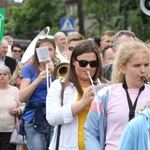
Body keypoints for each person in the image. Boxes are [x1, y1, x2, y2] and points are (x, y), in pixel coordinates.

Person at [84, 42, 150, 150]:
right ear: (123, 68)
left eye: (146, 65)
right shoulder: (104, 95)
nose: (143, 70)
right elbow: (91, 132)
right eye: (137, 65)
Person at [46, 39, 107, 150]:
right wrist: (82, 103)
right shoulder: (59, 85)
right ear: (74, 61)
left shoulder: (106, 87)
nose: (88, 68)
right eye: (83, 63)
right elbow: (52, 118)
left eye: (93, 63)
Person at [19, 37, 55, 150]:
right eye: (43, 50)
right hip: (34, 116)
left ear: (54, 51)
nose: (47, 53)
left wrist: (55, 72)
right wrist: (38, 80)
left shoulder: (61, 68)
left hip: (55, 115)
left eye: (50, 49)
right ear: (37, 52)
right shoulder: (29, 68)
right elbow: (22, 97)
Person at [0, 65, 24, 150]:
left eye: (4, 74)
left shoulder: (14, 90)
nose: (2, 76)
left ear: (9, 76)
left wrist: (18, 110)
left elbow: (23, 106)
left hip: (9, 131)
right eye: (0, 74)